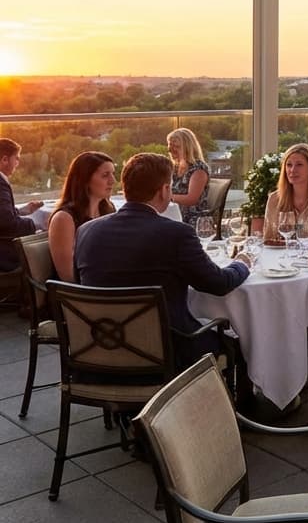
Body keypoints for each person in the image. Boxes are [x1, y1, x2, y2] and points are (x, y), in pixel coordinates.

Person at [74, 152, 251, 370]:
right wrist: (242, 263)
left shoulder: (86, 231)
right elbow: (219, 283)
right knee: (240, 342)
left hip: (100, 351)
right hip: (167, 353)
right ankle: (229, 403)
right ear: (164, 190)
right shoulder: (176, 234)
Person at [48, 151, 117, 282]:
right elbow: (68, 277)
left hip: (105, 286)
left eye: (112, 174)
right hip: (78, 295)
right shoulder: (64, 219)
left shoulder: (109, 210)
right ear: (85, 180)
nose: (113, 181)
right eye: (105, 175)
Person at [0, 138, 43, 271]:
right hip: (4, 257)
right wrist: (35, 225)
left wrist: (23, 211)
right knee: (43, 249)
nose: (17, 163)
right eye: (16, 158)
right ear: (4, 160)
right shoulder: (1, 185)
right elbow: (7, 223)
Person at [166, 127, 211, 227]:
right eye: (170, 146)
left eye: (176, 146)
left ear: (187, 147)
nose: (170, 150)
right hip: (175, 215)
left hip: (194, 220)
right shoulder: (174, 167)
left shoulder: (198, 169)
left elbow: (191, 199)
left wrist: (166, 197)